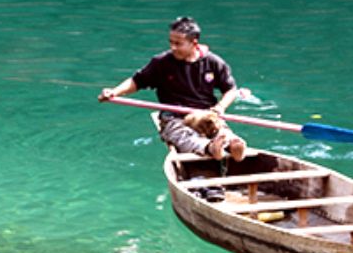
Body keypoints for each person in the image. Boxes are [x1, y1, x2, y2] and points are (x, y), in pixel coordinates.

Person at [98, 16, 247, 161]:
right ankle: (210, 148)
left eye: (178, 43)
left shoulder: (213, 62)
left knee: (221, 132)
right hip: (175, 116)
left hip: (205, 114)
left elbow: (230, 90)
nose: (173, 47)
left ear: (194, 43)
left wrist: (220, 107)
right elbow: (137, 81)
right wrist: (114, 92)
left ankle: (233, 145)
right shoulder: (162, 62)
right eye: (171, 42)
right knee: (183, 136)